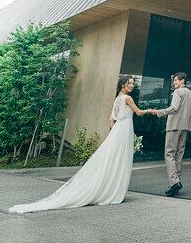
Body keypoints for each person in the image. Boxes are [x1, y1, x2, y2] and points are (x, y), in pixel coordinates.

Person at [9, 75, 152, 213]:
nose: (132, 85)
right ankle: (113, 189)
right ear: (123, 85)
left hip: (117, 130)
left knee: (111, 159)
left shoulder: (117, 99)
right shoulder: (127, 98)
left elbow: (110, 120)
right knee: (120, 159)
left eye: (132, 83)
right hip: (124, 130)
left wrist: (113, 135)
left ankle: (107, 187)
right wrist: (151, 111)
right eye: (129, 83)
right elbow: (139, 112)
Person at [150, 72, 191, 196]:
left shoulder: (178, 92)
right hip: (185, 128)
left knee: (169, 153)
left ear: (182, 81)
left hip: (174, 126)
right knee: (179, 155)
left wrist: (158, 112)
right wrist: (187, 122)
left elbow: (174, 107)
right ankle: (176, 184)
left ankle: (174, 182)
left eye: (176, 80)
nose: (174, 82)